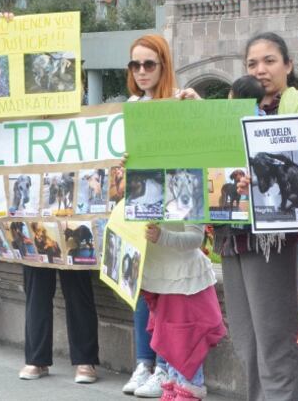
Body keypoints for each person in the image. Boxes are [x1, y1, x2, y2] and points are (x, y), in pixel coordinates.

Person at [215, 32, 298, 401]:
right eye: (252, 63)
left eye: (270, 61)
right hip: (232, 235)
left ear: (288, 66)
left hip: (271, 239)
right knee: (245, 341)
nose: (260, 70)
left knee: (274, 339)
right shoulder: (231, 110)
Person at [122, 34, 200, 397]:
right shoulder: (131, 106)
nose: (141, 71)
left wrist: (197, 107)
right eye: (135, 65)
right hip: (143, 200)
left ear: (163, 64)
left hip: (176, 205)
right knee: (144, 285)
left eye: (148, 64)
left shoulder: (182, 100)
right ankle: (145, 363)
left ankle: (164, 367)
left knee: (167, 290)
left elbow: (210, 136)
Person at [141, 219, 226, 401]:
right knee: (170, 341)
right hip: (162, 278)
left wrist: (162, 236)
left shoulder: (189, 191)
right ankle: (177, 388)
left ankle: (188, 391)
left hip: (186, 280)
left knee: (185, 341)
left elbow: (196, 238)